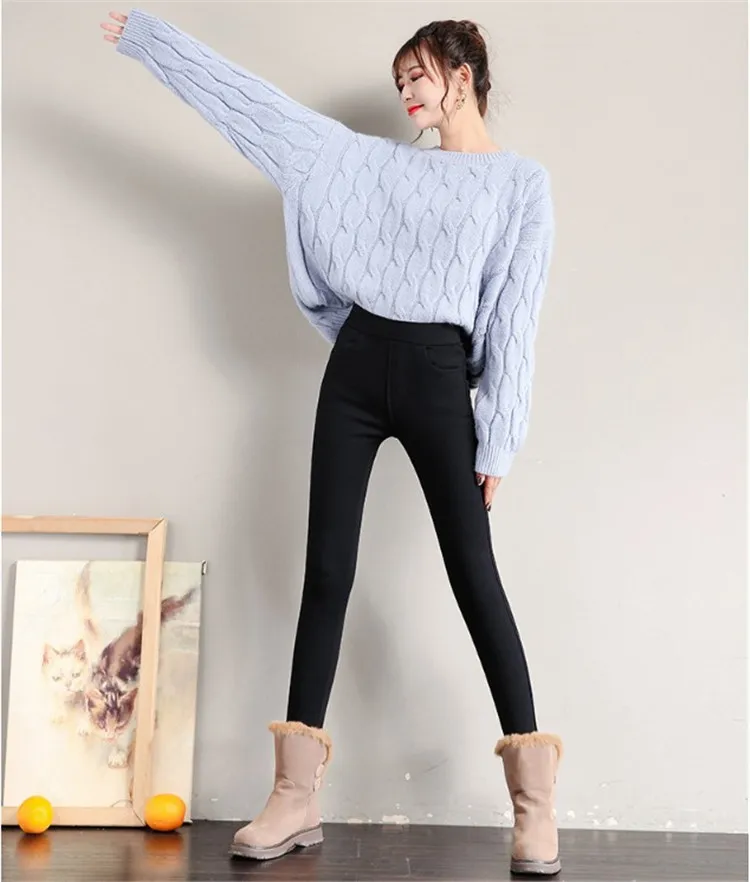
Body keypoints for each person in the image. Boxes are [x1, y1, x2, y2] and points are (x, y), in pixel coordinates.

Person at [101, 8, 562, 876]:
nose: (406, 93)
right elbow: (251, 108)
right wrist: (149, 39)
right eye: (399, 82)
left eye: (417, 76)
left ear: (461, 75)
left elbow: (515, 316)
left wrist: (498, 438)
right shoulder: (365, 162)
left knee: (475, 575)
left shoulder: (519, 184)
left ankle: (534, 807)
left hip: (438, 377)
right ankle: (294, 796)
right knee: (327, 572)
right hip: (355, 370)